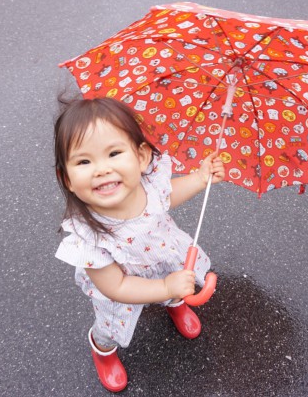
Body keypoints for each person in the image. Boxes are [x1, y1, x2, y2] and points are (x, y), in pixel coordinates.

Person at [53, 97, 225, 392]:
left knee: (177, 284)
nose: (101, 169)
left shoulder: (150, 185)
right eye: (84, 161)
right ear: (66, 178)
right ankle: (103, 351)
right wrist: (164, 287)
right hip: (122, 292)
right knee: (110, 328)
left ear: (142, 157)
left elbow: (168, 196)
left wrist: (200, 178)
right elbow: (116, 287)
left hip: (165, 260)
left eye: (114, 153)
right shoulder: (88, 237)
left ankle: (174, 303)